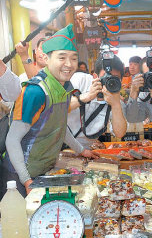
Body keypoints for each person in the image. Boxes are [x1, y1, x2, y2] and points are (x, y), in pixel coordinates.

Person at [1, 24, 98, 197]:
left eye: (73, 58)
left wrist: (81, 150)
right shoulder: (35, 92)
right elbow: (12, 140)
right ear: (47, 59)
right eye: (62, 58)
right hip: (19, 177)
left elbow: (61, 127)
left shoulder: (65, 88)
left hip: (42, 171)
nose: (68, 64)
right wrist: (26, 180)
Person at [67, 54, 127, 149]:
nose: (109, 82)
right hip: (59, 143)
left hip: (85, 151)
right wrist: (87, 96)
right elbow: (57, 108)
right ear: (95, 76)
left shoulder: (117, 100)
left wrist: (115, 105)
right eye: (106, 77)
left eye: (115, 78)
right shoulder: (80, 80)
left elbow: (120, 133)